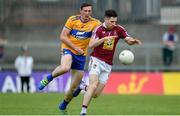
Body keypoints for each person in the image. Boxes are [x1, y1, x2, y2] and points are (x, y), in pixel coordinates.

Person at [38, 3, 101, 114]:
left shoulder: (95, 23)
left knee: (73, 88)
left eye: (89, 11)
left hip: (81, 55)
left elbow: (101, 33)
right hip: (69, 49)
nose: (87, 13)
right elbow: (62, 36)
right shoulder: (72, 19)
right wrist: (76, 47)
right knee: (65, 67)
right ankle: (48, 79)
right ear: (80, 11)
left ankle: (63, 105)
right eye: (85, 11)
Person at [78, 9, 142, 115]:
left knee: (96, 94)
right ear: (106, 19)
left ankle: (83, 87)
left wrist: (132, 41)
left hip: (108, 65)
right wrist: (104, 39)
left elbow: (127, 39)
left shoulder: (118, 29)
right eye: (112, 22)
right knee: (93, 85)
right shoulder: (98, 29)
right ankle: (83, 112)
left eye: (115, 21)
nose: (114, 24)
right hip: (96, 60)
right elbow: (91, 44)